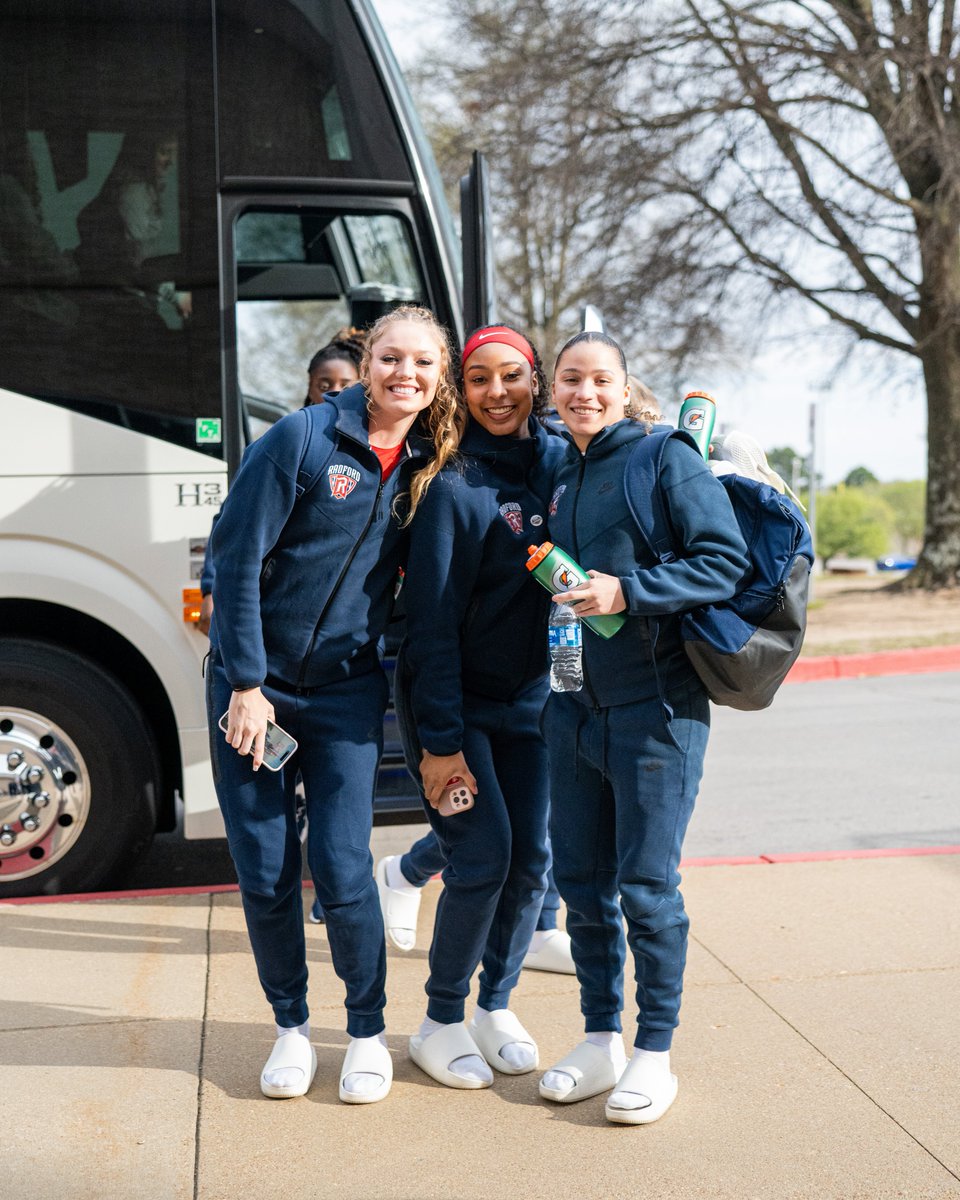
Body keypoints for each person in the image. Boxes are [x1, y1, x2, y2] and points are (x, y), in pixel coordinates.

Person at [206, 304, 461, 1105]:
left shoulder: (433, 462)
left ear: (438, 375)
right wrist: (245, 683)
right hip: (256, 691)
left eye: (423, 363)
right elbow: (235, 562)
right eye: (391, 358)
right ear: (368, 358)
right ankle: (289, 1028)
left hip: (347, 689)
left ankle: (363, 1032)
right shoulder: (303, 440)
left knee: (345, 868)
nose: (405, 375)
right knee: (267, 869)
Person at [538, 331, 749, 1125]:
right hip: (572, 708)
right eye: (570, 379)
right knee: (582, 888)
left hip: (658, 710)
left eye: (600, 380)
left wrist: (627, 591)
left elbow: (722, 561)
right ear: (554, 391)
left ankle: (654, 1053)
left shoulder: (665, 458)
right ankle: (601, 1040)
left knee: (647, 889)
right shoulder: (560, 471)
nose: (584, 392)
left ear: (625, 389)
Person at [395, 324, 566, 1089]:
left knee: (533, 860)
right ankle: (439, 1020)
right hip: (455, 706)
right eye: (479, 379)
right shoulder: (452, 489)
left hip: (532, 702)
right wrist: (437, 744)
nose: (497, 392)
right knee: (483, 858)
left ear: (537, 381)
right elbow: (426, 626)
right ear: (459, 392)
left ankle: (496, 1004)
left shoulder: (565, 469)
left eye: (512, 376)